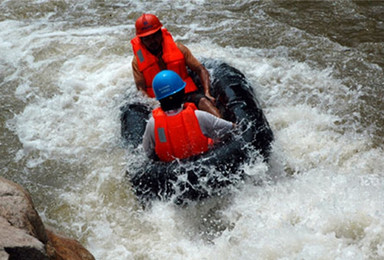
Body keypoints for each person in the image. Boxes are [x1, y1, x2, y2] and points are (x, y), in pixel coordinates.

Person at [131, 13, 221, 118]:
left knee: (204, 101)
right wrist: (154, 106)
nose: (152, 41)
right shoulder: (137, 61)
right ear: (141, 41)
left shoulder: (179, 48)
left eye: (154, 36)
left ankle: (227, 127)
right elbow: (141, 89)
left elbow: (200, 69)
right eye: (147, 38)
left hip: (184, 93)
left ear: (160, 33)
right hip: (160, 100)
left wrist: (207, 92)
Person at [142, 70, 235, 162]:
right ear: (182, 93)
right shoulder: (199, 116)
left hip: (171, 173)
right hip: (204, 167)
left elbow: (148, 153)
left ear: (159, 99)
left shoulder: (152, 124)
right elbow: (232, 129)